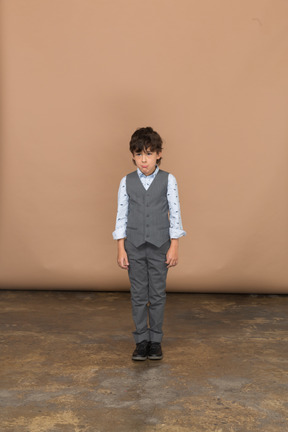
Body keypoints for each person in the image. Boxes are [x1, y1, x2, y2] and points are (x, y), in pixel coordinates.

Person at [112, 127, 186, 361]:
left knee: (157, 294)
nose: (144, 159)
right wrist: (121, 247)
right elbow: (121, 215)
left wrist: (174, 245)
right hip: (133, 245)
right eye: (139, 154)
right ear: (133, 155)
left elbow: (175, 213)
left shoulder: (168, 179)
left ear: (159, 154)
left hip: (159, 245)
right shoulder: (126, 181)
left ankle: (155, 341)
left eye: (149, 153)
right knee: (137, 295)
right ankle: (140, 341)